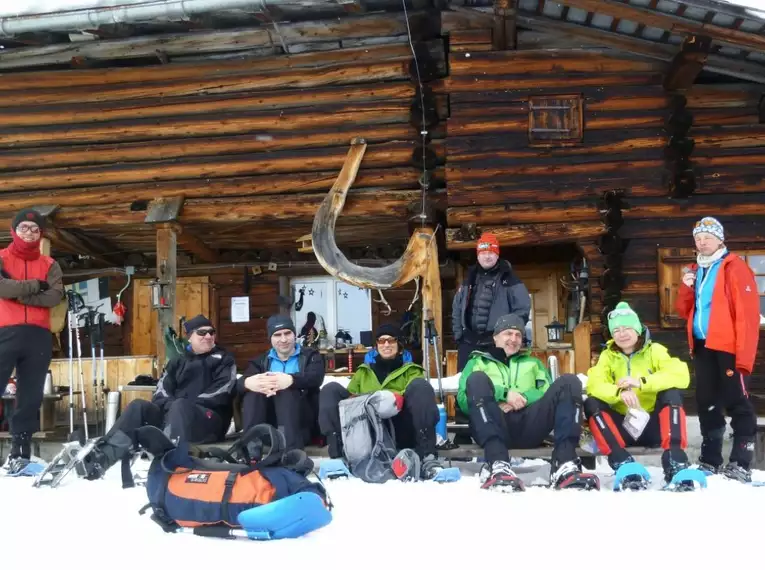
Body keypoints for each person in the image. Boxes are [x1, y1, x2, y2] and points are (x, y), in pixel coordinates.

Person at [79, 314, 238, 479]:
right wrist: (171, 406)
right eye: (202, 333)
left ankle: (172, 463)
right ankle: (102, 458)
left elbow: (223, 390)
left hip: (208, 420)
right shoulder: (177, 362)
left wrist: (182, 405)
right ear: (189, 337)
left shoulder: (224, 359)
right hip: (174, 417)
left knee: (180, 406)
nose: (208, 336)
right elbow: (162, 390)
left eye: (211, 332)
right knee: (138, 406)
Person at [458, 314, 598, 491]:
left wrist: (521, 398)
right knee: (477, 379)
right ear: (495, 337)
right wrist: (504, 395)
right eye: (508, 333)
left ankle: (564, 463)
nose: (513, 339)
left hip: (530, 424)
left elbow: (546, 391)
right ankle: (497, 464)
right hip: (493, 424)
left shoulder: (533, 363)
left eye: (518, 335)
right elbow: (463, 400)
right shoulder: (477, 362)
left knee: (570, 382)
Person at [676, 217, 760, 483]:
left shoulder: (735, 267)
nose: (702, 242)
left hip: (729, 346)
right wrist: (686, 287)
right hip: (702, 345)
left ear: (720, 239)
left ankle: (740, 463)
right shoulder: (695, 269)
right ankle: (710, 460)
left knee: (737, 400)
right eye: (698, 238)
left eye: (707, 238)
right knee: (706, 402)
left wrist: (743, 355)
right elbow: (684, 310)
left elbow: (747, 315)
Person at [318, 323, 443, 479]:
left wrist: (396, 397)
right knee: (330, 389)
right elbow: (350, 398)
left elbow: (418, 398)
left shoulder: (412, 371)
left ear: (399, 345)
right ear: (376, 345)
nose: (386, 345)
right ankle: (337, 456)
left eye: (391, 340)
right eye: (381, 341)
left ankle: (428, 457)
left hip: (401, 428)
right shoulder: (363, 372)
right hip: (367, 432)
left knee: (421, 387)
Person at [584, 302, 691, 485]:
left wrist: (641, 383)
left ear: (638, 329)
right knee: (592, 402)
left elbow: (681, 375)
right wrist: (619, 392)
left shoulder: (654, 351)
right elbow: (594, 384)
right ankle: (621, 461)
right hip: (622, 428)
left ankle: (675, 460)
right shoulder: (607, 356)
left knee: (671, 393)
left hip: (653, 426)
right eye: (616, 330)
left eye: (627, 328)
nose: (622, 334)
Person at [0, 208, 64, 473]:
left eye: (35, 229)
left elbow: (55, 297)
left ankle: (20, 452)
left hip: (38, 334)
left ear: (41, 234)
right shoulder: (1, 257)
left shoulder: (50, 264)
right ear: (14, 230)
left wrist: (18, 293)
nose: (29, 232)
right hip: (4, 331)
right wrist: (36, 286)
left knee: (30, 396)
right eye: (24, 227)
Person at [239, 315, 325, 450]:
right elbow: (236, 386)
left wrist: (291, 380)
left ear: (294, 335)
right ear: (270, 339)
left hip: (300, 425)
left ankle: (291, 452)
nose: (283, 339)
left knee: (286, 391)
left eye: (287, 333)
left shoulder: (310, 356)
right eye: (277, 335)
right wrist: (247, 383)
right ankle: (250, 449)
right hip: (269, 426)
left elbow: (316, 378)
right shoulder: (261, 361)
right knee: (253, 393)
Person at [452, 232, 531, 370]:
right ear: (478, 255)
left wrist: (507, 337)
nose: (487, 256)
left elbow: (522, 311)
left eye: (491, 252)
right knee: (464, 383)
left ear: (497, 254)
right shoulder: (469, 279)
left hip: (497, 345)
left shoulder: (510, 280)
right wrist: (459, 337)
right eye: (483, 252)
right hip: (469, 343)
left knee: (497, 385)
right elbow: (457, 308)